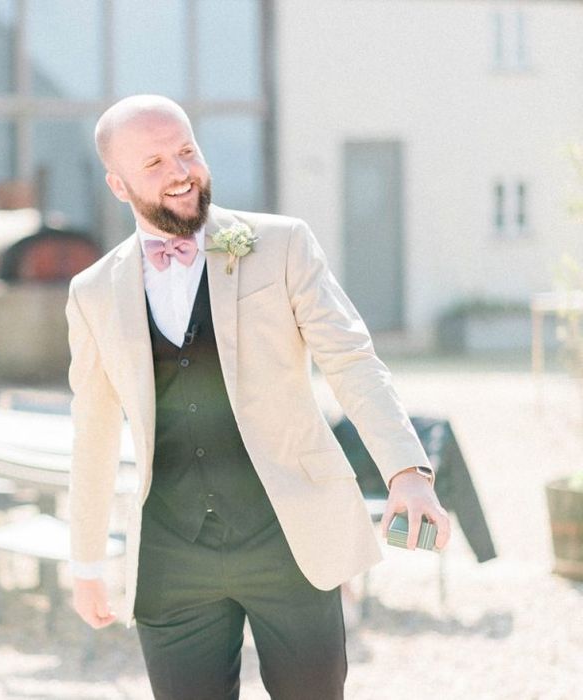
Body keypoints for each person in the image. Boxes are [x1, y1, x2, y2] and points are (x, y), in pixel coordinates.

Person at [65, 94, 451, 699]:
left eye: (187, 150)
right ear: (118, 184)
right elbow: (91, 430)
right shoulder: (91, 293)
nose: (180, 171)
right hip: (172, 560)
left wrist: (407, 469)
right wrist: (86, 562)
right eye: (155, 163)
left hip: (291, 541)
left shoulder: (281, 244)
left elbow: (351, 359)